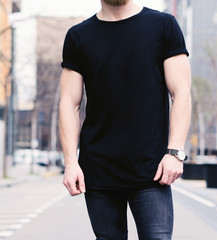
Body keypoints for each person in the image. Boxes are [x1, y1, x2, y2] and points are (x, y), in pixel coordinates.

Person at [59, 0, 191, 239]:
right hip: (98, 170)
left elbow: (181, 92)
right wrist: (70, 162)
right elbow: (69, 103)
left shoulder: (163, 25)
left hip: (152, 170)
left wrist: (175, 153)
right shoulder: (78, 36)